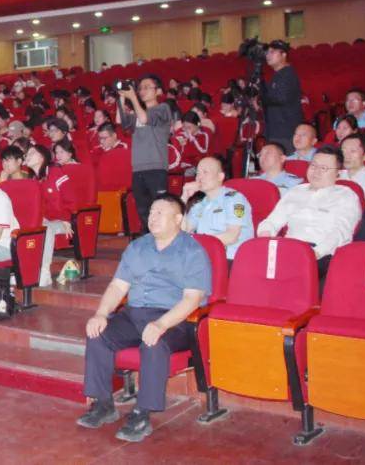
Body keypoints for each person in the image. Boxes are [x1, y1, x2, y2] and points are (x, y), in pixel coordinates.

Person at [77, 194, 211, 442]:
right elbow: (118, 286)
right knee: (98, 334)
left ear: (178, 219)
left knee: (153, 342)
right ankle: (103, 404)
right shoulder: (137, 247)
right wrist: (101, 314)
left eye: (160, 213)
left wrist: (161, 324)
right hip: (134, 314)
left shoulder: (192, 251)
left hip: (174, 319)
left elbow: (192, 299)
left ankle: (142, 412)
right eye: (151, 212)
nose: (153, 218)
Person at [257, 146, 362, 281]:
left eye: (323, 168)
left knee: (285, 274)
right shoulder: (295, 191)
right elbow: (272, 221)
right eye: (313, 165)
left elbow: (341, 232)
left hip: (322, 254)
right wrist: (265, 237)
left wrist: (315, 253)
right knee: (252, 264)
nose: (316, 171)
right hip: (289, 248)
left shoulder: (346, 195)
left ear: (338, 173)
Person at [117, 76, 173, 231]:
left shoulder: (163, 108)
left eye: (147, 87)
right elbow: (120, 120)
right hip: (138, 169)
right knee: (143, 213)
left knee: (160, 210)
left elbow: (144, 118)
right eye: (140, 88)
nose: (142, 90)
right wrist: (121, 97)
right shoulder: (138, 112)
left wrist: (133, 97)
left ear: (158, 91)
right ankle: (148, 239)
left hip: (156, 168)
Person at [41, 139, 95, 286]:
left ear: (70, 153)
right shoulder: (55, 170)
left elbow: (70, 199)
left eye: (62, 152)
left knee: (46, 227)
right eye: (56, 152)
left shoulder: (60, 172)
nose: (58, 155)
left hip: (73, 213)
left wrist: (65, 216)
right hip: (65, 213)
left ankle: (43, 272)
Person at [181, 156, 254, 261]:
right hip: (205, 257)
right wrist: (184, 198)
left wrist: (197, 243)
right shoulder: (200, 205)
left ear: (220, 177)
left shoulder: (234, 199)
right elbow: (184, 231)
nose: (199, 177)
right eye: (197, 173)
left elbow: (231, 236)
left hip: (231, 259)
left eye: (205, 172)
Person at [262, 40, 302, 153]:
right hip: (276, 129)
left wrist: (261, 100)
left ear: (283, 54)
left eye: (272, 52)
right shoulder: (278, 75)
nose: (268, 55)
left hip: (285, 131)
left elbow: (281, 98)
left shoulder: (287, 74)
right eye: (267, 52)